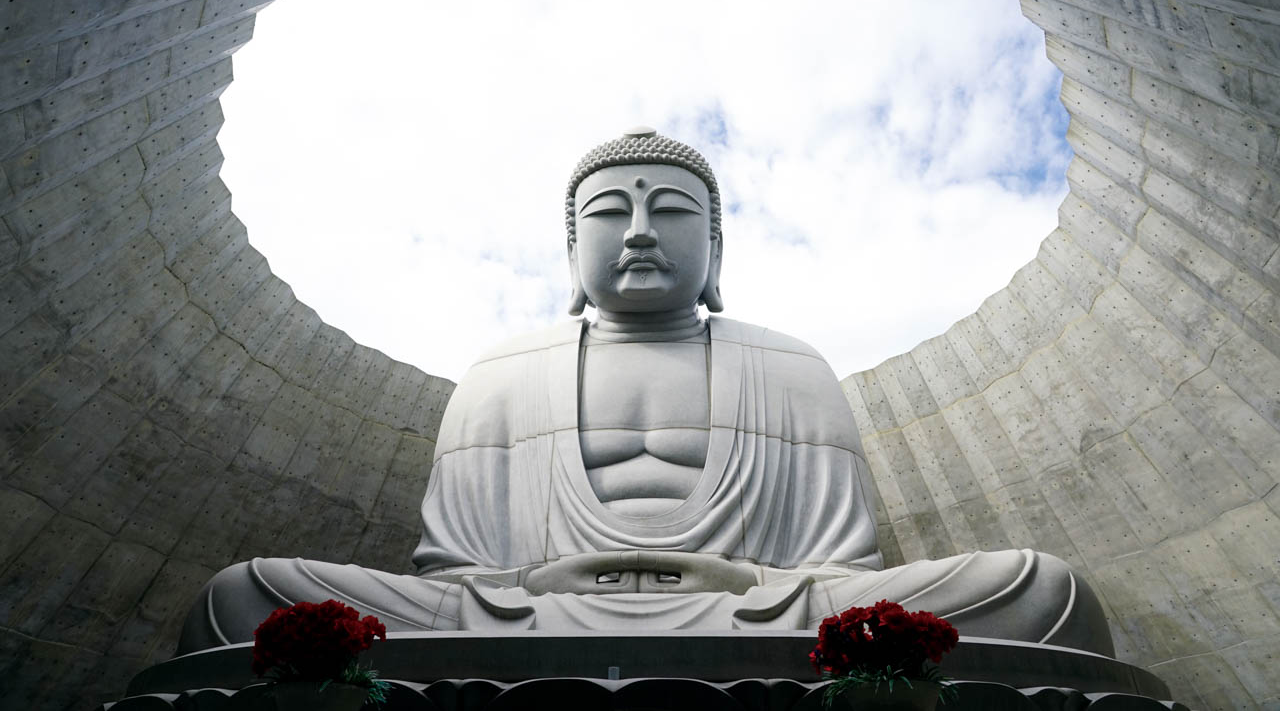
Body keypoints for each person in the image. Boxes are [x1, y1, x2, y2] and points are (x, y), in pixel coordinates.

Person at [177, 129, 1112, 655]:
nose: (637, 231)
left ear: (715, 247)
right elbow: (452, 575)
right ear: (569, 249)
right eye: (608, 212)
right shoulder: (502, 371)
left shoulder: (792, 366)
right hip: (526, 615)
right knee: (248, 595)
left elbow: (844, 570)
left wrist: (743, 584)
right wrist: (537, 586)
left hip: (760, 612)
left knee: (1037, 587)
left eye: (669, 210)